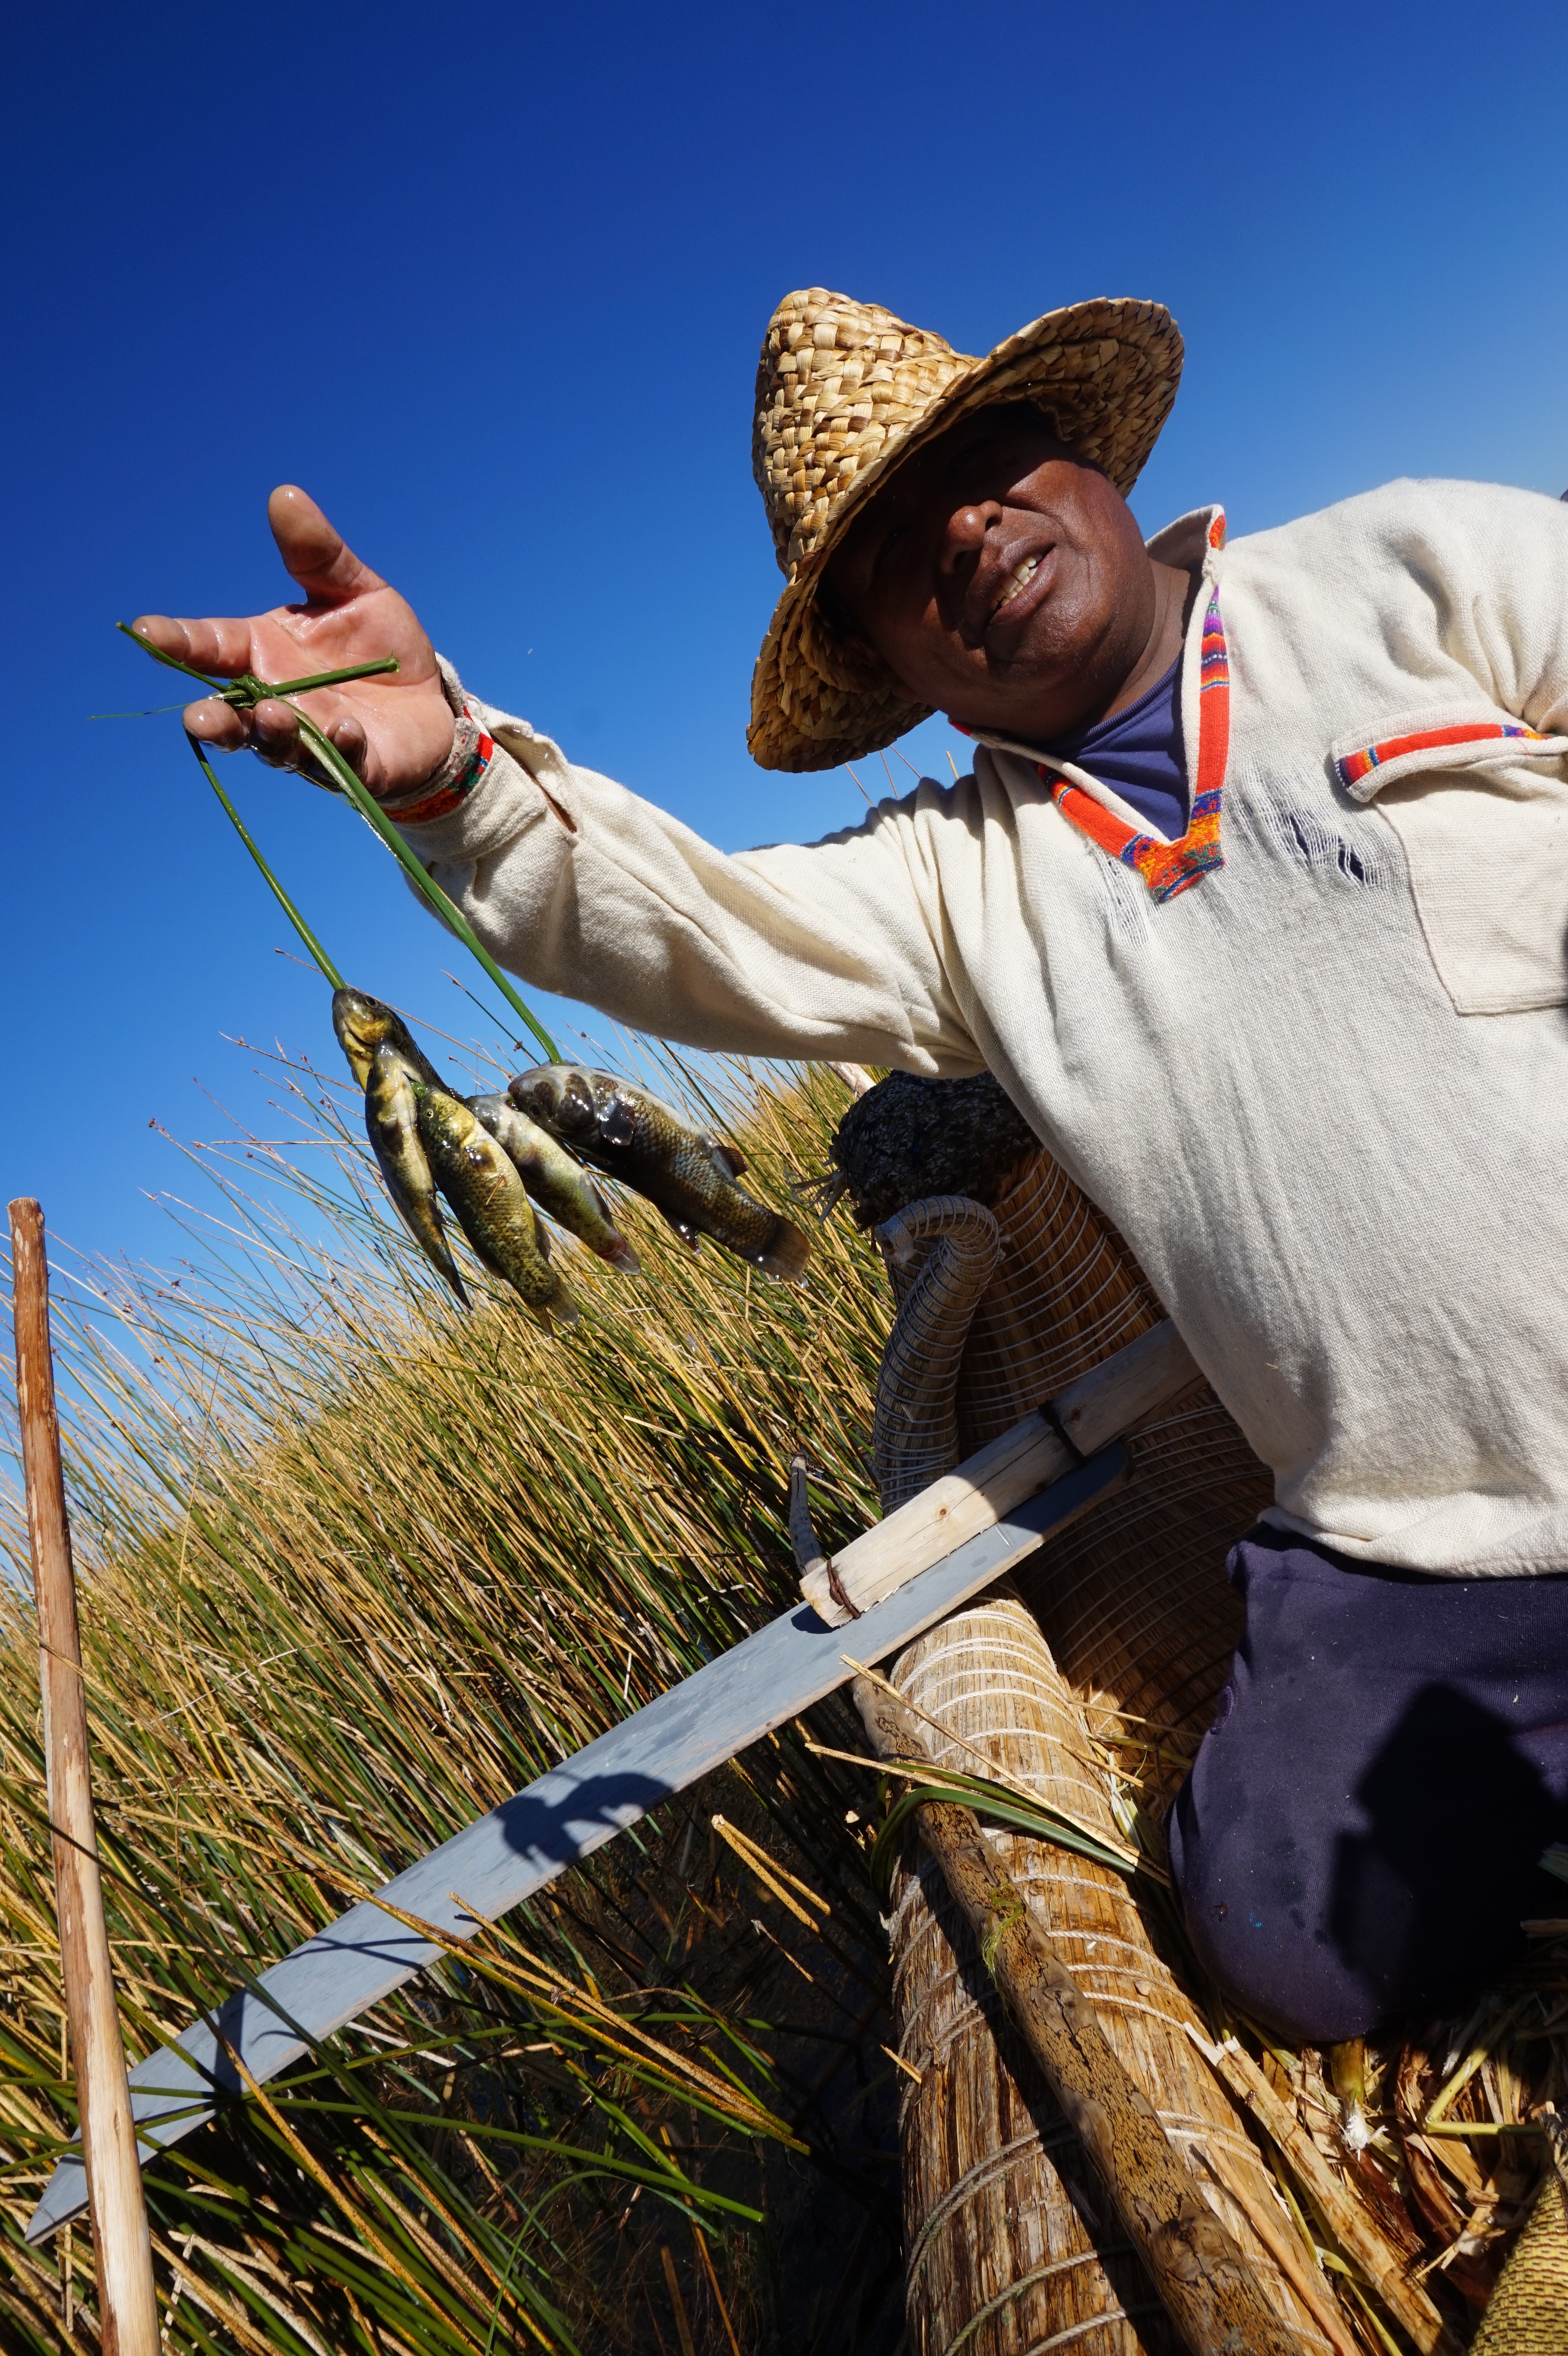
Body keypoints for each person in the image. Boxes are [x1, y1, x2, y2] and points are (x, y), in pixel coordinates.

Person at [135, 286, 1568, 2044]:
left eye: (982, 463)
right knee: (1277, 1936)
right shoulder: (958, 886)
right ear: (891, 664)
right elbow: (694, 926)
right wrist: (455, 782)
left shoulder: (1410, 571)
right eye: (893, 554)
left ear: (1086, 458)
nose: (960, 534)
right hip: (1419, 1541)